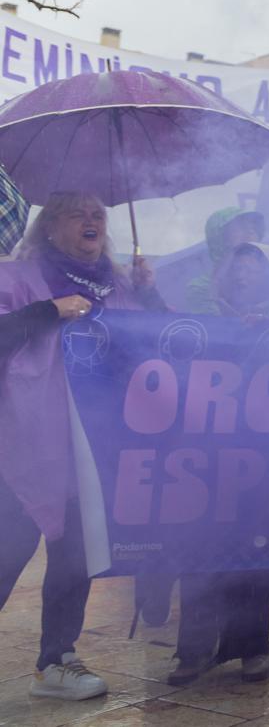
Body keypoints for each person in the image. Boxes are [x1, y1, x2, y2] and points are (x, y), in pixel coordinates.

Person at [0, 192, 164, 700]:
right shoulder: (14, 277)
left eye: (98, 213)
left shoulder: (118, 286)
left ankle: (57, 662)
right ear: (50, 227)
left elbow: (167, 343)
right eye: (77, 213)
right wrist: (48, 310)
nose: (91, 220)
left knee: (74, 556)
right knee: (7, 552)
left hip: (91, 450)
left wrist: (149, 296)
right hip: (24, 446)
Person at [168, 243, 269, 686]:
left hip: (259, 453)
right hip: (202, 452)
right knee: (198, 551)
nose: (244, 275)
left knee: (254, 552)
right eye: (237, 267)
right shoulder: (201, 316)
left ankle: (253, 649)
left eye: (255, 267)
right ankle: (194, 651)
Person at [184, 207, 264, 314]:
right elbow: (215, 327)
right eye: (241, 226)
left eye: (252, 226)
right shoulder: (200, 288)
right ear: (221, 237)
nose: (250, 231)